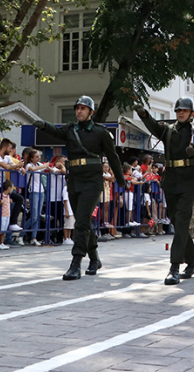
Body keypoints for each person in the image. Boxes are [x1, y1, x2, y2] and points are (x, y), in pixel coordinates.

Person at [33, 95, 127, 280]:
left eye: (83, 108)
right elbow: (55, 131)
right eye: (77, 108)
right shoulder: (71, 130)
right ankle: (94, 258)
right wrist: (43, 124)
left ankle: (76, 263)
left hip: (92, 181)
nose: (79, 111)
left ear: (91, 112)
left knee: (81, 221)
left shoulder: (100, 132)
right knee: (83, 222)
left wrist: (121, 180)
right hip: (74, 180)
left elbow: (113, 156)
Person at [136, 97, 194, 285]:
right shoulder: (169, 131)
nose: (181, 113)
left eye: (184, 111)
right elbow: (154, 127)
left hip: (188, 181)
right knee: (177, 222)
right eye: (178, 110)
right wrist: (144, 114)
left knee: (181, 222)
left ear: (191, 114)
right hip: (171, 180)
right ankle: (193, 262)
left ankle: (174, 267)